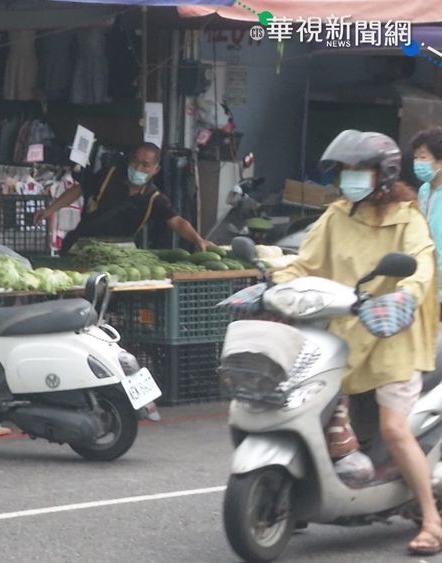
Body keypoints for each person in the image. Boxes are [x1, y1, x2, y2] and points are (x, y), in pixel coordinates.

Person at [231, 130, 440, 556]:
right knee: (304, 403)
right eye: (343, 170)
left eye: (356, 170)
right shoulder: (336, 215)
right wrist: (270, 285)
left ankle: (431, 520)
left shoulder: (407, 217)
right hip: (341, 333)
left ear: (382, 174)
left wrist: (403, 297)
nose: (349, 179)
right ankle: (303, 491)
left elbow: (420, 268)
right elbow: (306, 263)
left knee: (393, 429)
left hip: (391, 336)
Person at [34, 143, 210, 253]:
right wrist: (50, 210)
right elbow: (79, 189)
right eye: (135, 161)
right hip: (83, 245)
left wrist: (198, 239)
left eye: (145, 165)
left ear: (156, 170)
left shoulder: (154, 198)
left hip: (120, 252)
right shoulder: (109, 175)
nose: (138, 167)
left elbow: (177, 222)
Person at [412, 126, 442, 303]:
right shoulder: (424, 190)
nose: (417, 163)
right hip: (423, 278)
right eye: (415, 157)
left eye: (423, 157)